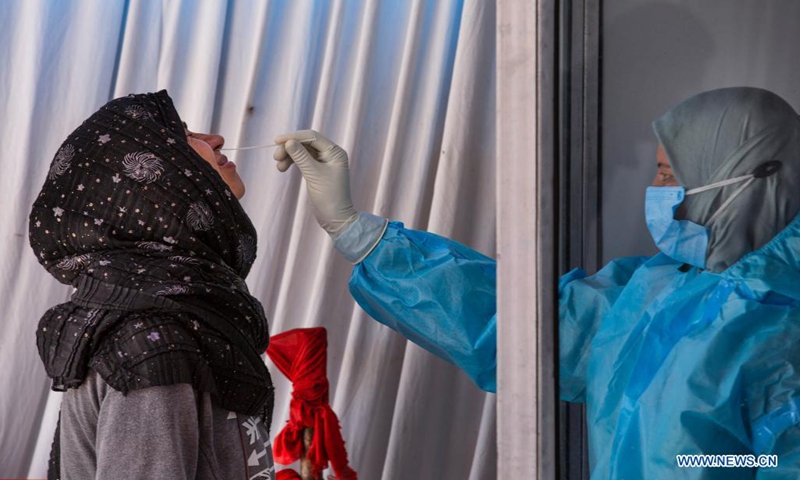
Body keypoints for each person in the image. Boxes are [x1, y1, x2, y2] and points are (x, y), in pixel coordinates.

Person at [276, 87, 800, 478]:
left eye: (669, 175)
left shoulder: (782, 328)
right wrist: (355, 230)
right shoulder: (662, 289)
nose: (656, 189)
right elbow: (511, 326)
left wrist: (716, 460)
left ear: (748, 180)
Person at [29, 90, 276, 480]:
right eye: (185, 134)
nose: (216, 140)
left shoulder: (179, 321)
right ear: (150, 182)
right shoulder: (153, 345)